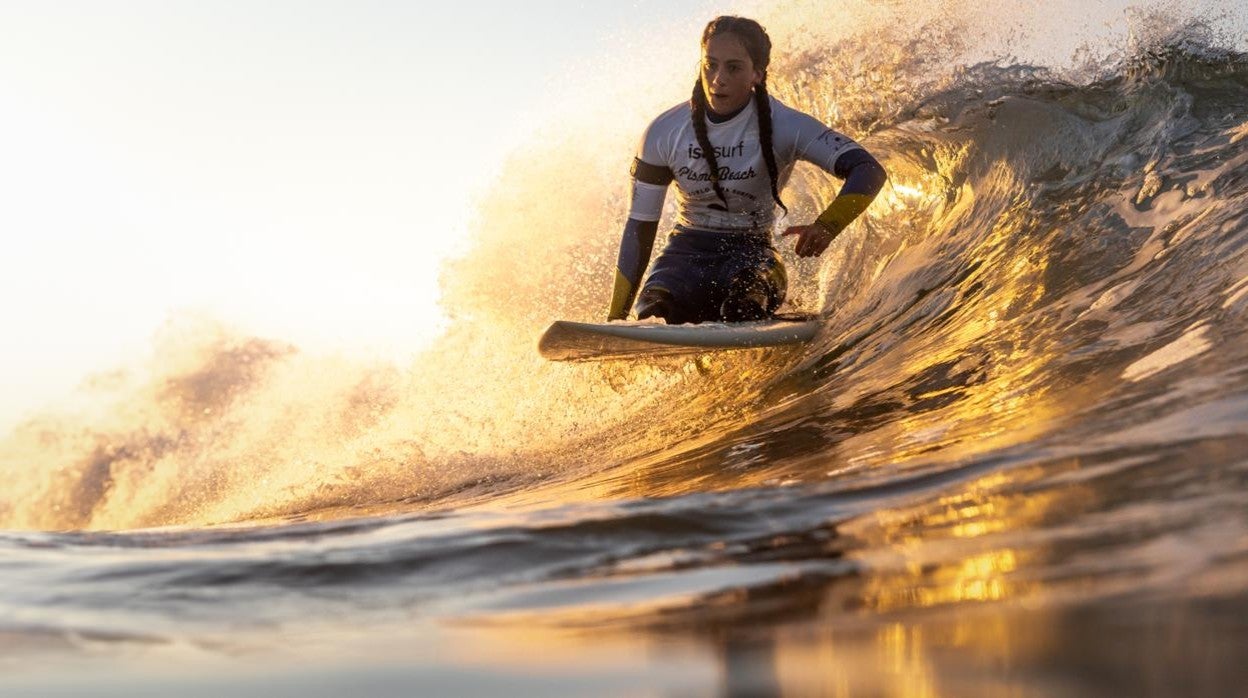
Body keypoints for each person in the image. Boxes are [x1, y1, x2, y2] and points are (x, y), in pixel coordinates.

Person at [607, 16, 887, 324]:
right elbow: (640, 227)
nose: (718, 79)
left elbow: (867, 170)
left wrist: (827, 226)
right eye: (710, 65)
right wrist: (614, 320)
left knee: (743, 307)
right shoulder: (664, 132)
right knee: (651, 311)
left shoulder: (786, 125)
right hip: (683, 259)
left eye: (733, 67)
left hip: (753, 256)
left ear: (757, 73)